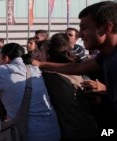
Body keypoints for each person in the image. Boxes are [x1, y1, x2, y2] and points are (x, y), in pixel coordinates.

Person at [32, 1, 117, 134]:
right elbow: (78, 68)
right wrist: (41, 64)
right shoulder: (106, 56)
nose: (80, 35)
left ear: (106, 28)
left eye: (84, 28)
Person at [0, 43, 60, 141]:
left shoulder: (2, 71)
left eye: (0, 58)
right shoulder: (34, 69)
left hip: (28, 133)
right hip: (53, 131)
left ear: (5, 58)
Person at [41, 33, 97, 140]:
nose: (38, 56)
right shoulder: (79, 73)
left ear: (47, 55)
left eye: (40, 52)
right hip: (88, 128)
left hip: (70, 132)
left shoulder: (47, 77)